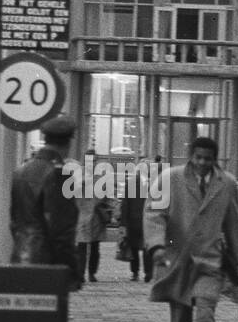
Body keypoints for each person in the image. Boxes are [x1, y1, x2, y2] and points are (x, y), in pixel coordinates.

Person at [144, 137, 238, 322]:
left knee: (205, 312)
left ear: (215, 159)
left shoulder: (227, 184)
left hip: (210, 261)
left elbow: (233, 223)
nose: (203, 163)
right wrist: (156, 246)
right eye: (198, 157)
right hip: (178, 261)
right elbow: (154, 214)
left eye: (208, 158)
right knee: (180, 321)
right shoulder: (169, 179)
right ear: (190, 156)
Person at [10, 116, 81, 290]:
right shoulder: (60, 174)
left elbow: (14, 220)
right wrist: (71, 268)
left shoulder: (21, 171)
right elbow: (61, 229)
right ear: (68, 142)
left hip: (20, 256)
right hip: (48, 263)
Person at [75, 149, 113, 283]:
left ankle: (85, 273)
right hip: (87, 215)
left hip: (90, 216)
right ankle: (88, 273)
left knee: (86, 247)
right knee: (87, 247)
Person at [119, 165, 149, 282]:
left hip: (136, 220)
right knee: (142, 248)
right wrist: (123, 223)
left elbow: (125, 204)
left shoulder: (132, 182)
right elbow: (125, 203)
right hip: (139, 221)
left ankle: (136, 272)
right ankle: (147, 273)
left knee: (136, 248)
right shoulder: (152, 182)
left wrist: (124, 222)